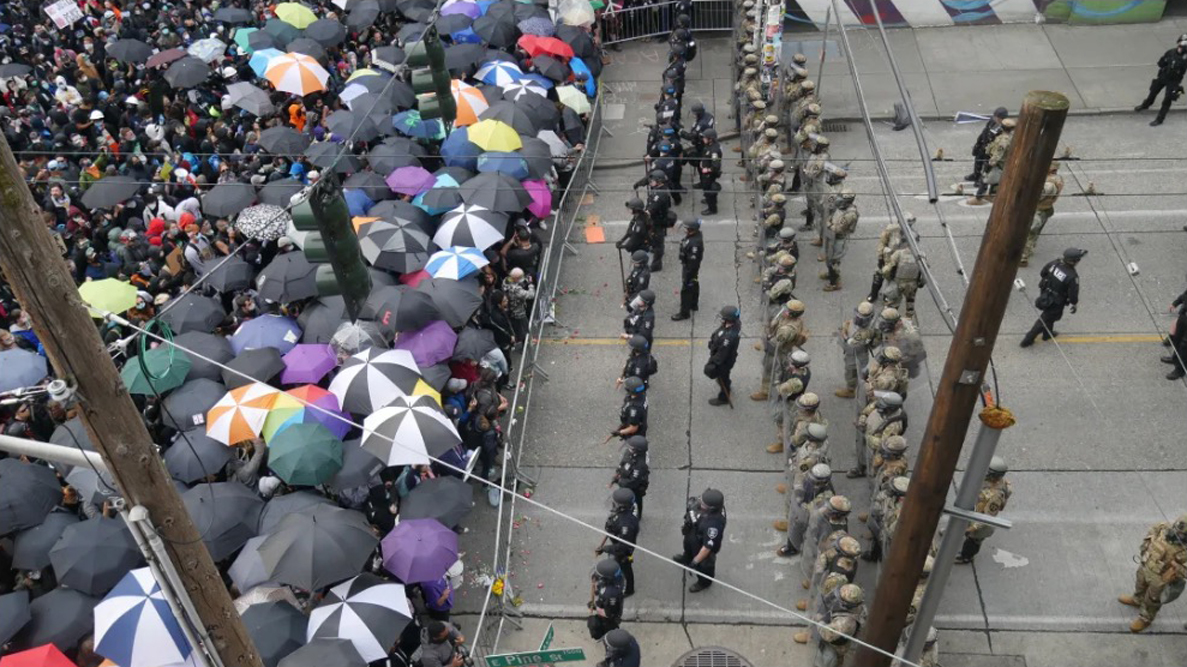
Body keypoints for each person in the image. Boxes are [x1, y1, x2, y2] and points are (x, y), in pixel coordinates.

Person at [1118, 514, 1187, 632]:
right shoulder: (1163, 528)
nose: (1177, 535)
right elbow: (1153, 530)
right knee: (1140, 583)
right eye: (1176, 531)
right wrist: (1147, 545)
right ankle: (1137, 599)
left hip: (1161, 578)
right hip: (1147, 565)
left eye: (1182, 534)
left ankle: (1146, 618)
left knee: (1152, 599)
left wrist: (1177, 568)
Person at [1020, 247, 1086, 348]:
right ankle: (1028, 339)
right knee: (1045, 319)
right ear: (1074, 261)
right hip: (1056, 301)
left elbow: (1043, 273)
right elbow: (1073, 294)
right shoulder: (1072, 276)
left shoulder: (1055, 263)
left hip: (1045, 292)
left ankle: (1047, 334)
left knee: (1049, 317)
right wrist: (1074, 303)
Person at [955, 457, 1012, 565]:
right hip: (973, 510)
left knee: (973, 541)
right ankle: (955, 533)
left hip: (980, 522)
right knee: (960, 523)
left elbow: (987, 517)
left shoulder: (996, 495)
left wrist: (971, 528)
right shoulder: (986, 480)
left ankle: (966, 557)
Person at [674, 488, 727, 592]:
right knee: (688, 550)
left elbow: (707, 547)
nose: (700, 502)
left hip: (702, 546)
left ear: (711, 508)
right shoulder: (708, 504)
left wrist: (696, 561)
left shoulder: (714, 525)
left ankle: (704, 583)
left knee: (704, 567)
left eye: (703, 503)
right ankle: (686, 559)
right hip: (693, 534)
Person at [596, 487, 640, 597]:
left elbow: (622, 547)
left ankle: (629, 589)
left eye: (616, 503)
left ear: (622, 506)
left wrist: (605, 549)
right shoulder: (626, 512)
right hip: (619, 539)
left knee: (625, 566)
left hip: (624, 549)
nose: (613, 504)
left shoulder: (626, 525)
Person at [1135, 35, 1187, 126]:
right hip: (1164, 76)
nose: (1179, 48)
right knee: (1153, 91)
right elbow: (1161, 62)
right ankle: (1146, 105)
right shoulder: (1171, 52)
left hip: (1174, 80)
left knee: (1167, 100)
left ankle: (1160, 119)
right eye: (1179, 46)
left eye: (1181, 48)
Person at [1021, 162, 1064, 267]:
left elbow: (1037, 196)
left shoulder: (1049, 184)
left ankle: (1023, 256)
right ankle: (1029, 248)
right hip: (1045, 209)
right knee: (1035, 232)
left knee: (1030, 232)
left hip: (1039, 210)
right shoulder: (1055, 178)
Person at [821, 188, 858, 292]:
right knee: (829, 258)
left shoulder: (850, 214)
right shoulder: (842, 207)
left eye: (841, 198)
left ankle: (835, 283)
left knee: (834, 261)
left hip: (839, 239)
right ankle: (830, 273)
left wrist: (828, 223)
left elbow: (838, 229)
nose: (838, 199)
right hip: (832, 237)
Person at [705, 306, 741, 406]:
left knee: (723, 378)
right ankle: (727, 383)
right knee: (725, 376)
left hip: (724, 362)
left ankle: (723, 397)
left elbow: (721, 355)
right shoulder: (734, 325)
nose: (722, 319)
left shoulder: (728, 338)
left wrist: (713, 363)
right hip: (727, 357)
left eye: (724, 318)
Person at [611, 435, 651, 519]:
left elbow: (633, 481)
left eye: (631, 447)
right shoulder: (630, 452)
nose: (629, 448)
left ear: (637, 450)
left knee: (636, 500)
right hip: (626, 478)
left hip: (635, 486)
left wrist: (619, 481)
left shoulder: (640, 465)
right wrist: (619, 471)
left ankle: (637, 516)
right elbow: (623, 462)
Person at [672, 219, 704, 321]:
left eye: (686, 228)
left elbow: (693, 262)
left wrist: (688, 275)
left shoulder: (695, 244)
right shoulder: (693, 237)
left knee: (686, 289)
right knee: (694, 283)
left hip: (690, 269)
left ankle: (684, 313)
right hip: (689, 267)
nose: (685, 230)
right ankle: (693, 304)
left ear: (692, 230)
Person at [967, 106, 1007, 184]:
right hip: (985, 145)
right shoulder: (992, 122)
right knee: (978, 159)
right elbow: (985, 132)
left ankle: (981, 180)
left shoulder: (1003, 127)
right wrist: (978, 143)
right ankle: (976, 174)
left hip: (992, 148)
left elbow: (997, 139)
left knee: (987, 164)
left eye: (997, 117)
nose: (995, 119)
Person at [587, 558, 624, 640]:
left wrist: (595, 607)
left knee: (609, 629)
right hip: (608, 604)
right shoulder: (617, 578)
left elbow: (609, 613)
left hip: (610, 617)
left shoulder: (610, 594)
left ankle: (609, 638)